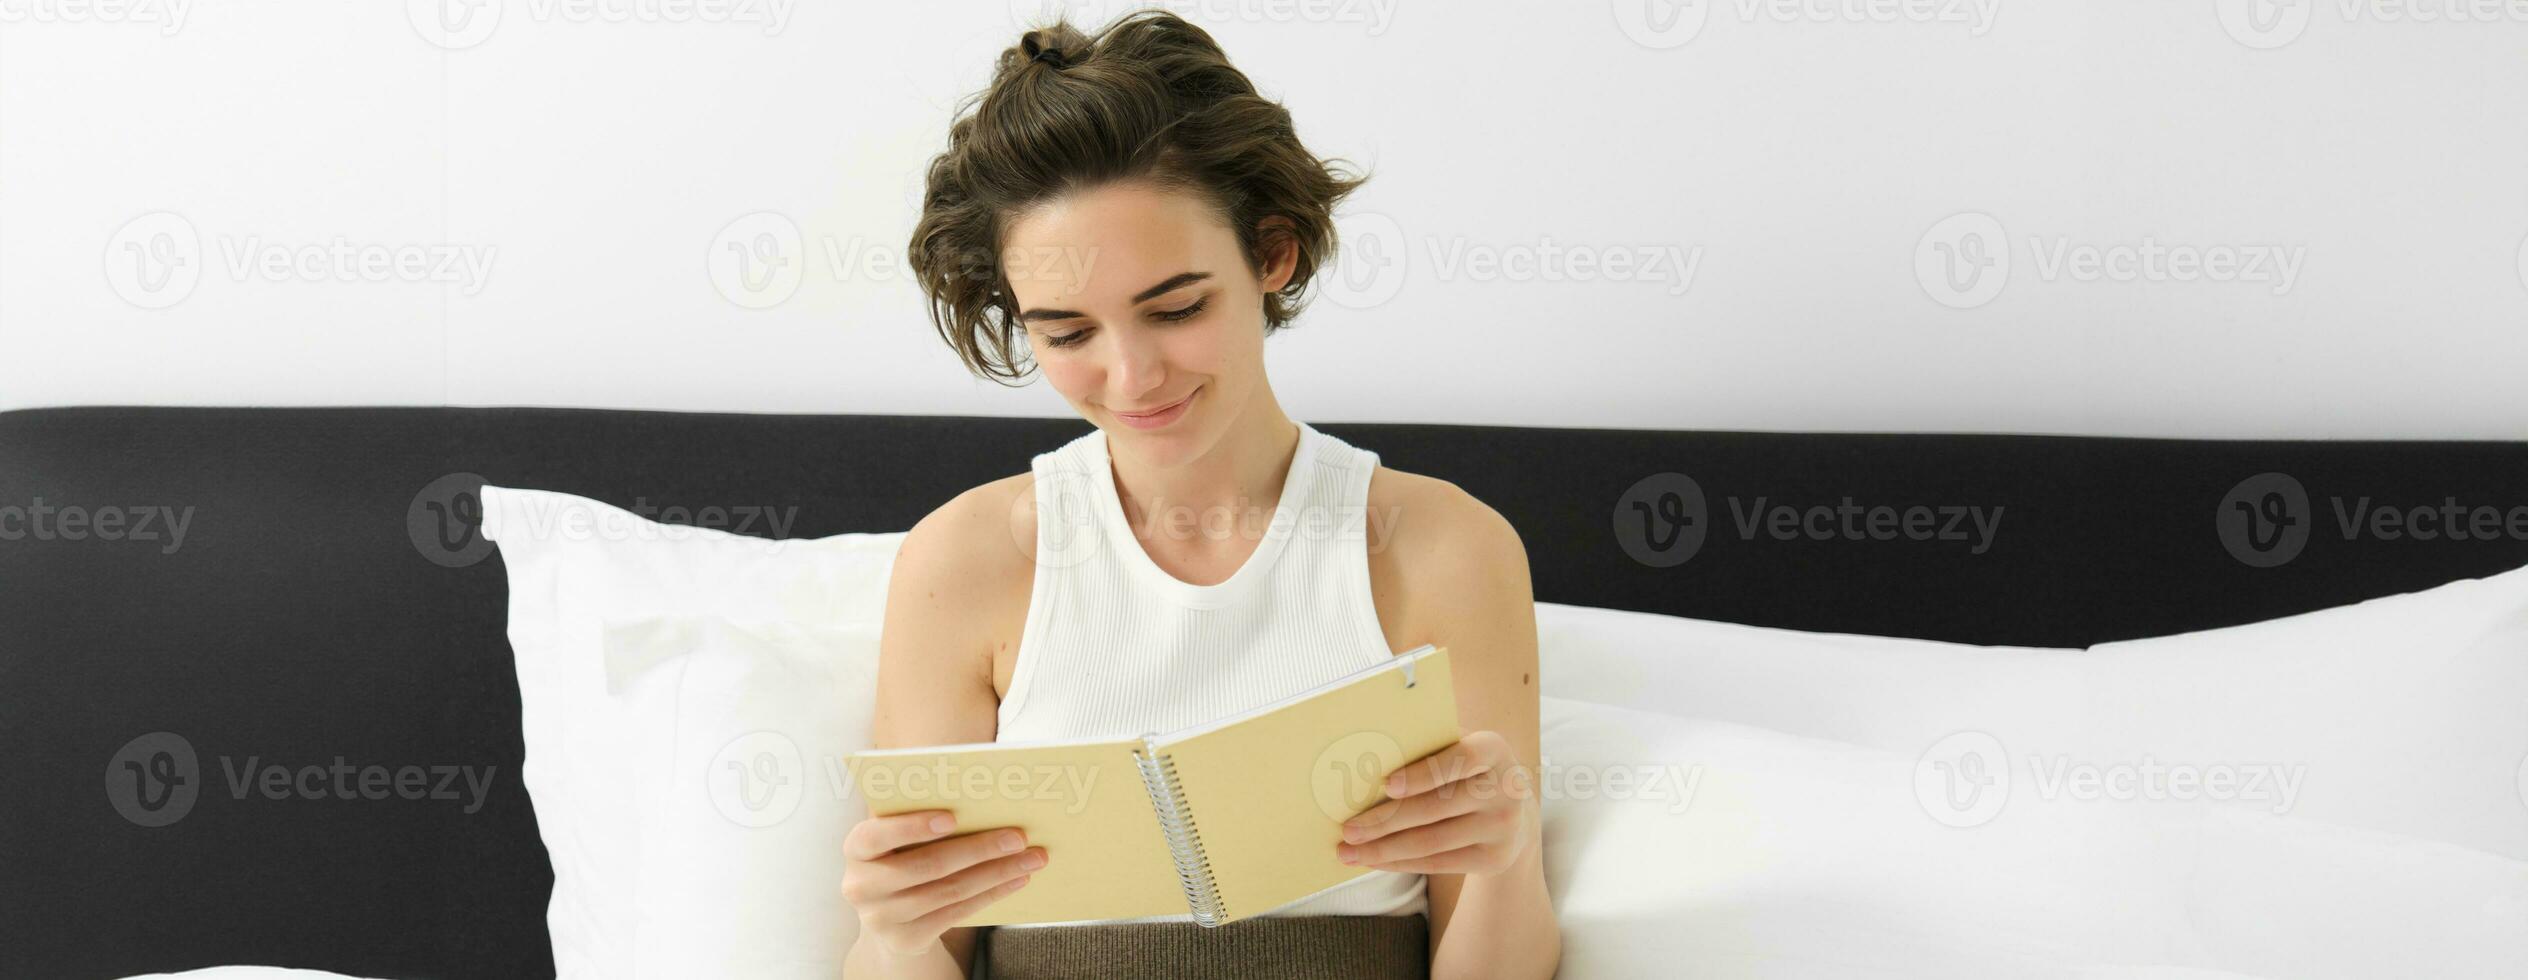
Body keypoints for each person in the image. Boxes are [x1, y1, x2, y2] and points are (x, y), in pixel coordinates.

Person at [840, 10, 1561, 979]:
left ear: (1271, 253)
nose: (1131, 377)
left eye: (1175, 308)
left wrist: (1507, 860)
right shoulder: (965, 561)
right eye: (1065, 332)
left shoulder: (1440, 549)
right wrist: (896, 934)